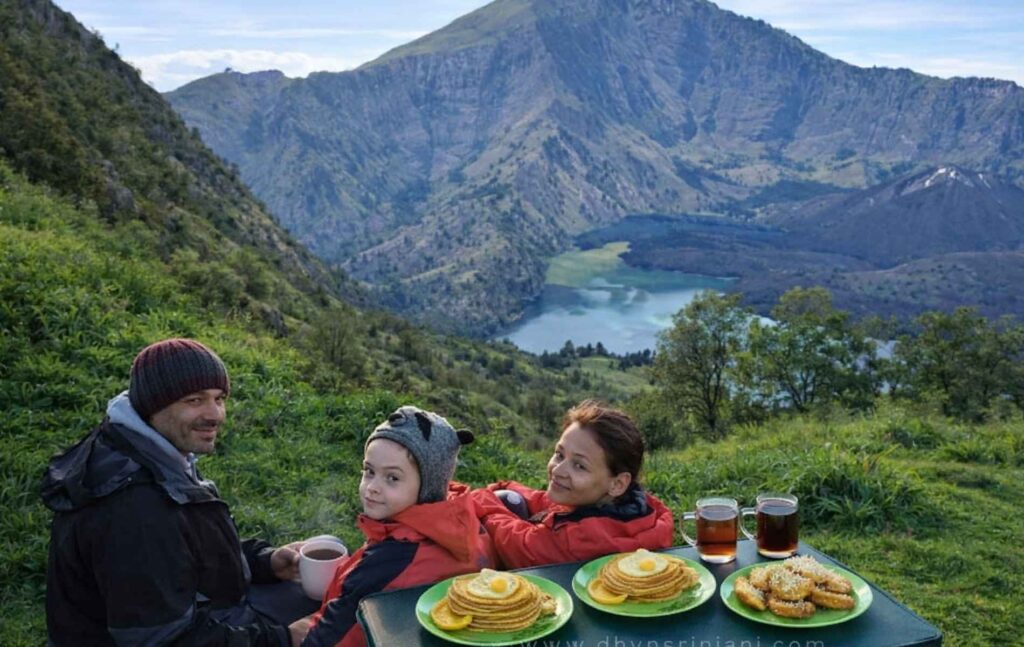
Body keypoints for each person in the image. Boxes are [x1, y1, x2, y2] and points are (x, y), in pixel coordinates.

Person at [41, 338, 317, 646]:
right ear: (153, 405)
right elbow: (164, 639)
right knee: (333, 625)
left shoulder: (145, 449)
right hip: (174, 633)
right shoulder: (134, 510)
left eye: (219, 398)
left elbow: (184, 549)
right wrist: (283, 640)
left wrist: (265, 562)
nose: (216, 415)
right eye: (194, 400)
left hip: (197, 609)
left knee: (323, 599)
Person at [293, 406, 496, 647]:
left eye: (392, 478)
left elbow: (326, 641)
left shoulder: (390, 562)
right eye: (369, 471)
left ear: (427, 488)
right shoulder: (462, 520)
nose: (372, 487)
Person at [471, 400, 675, 569]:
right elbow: (552, 504)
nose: (558, 470)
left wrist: (482, 502)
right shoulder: (640, 508)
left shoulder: (578, 540)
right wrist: (507, 487)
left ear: (618, 483)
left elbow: (516, 542)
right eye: (559, 455)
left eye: (579, 466)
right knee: (508, 496)